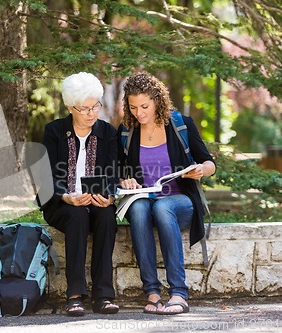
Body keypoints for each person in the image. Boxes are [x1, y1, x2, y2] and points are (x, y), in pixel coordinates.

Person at [117, 72, 216, 315]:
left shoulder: (180, 124)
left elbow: (209, 163)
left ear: (157, 100)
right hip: (144, 200)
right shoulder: (127, 131)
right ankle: (151, 292)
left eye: (144, 106)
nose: (139, 113)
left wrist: (200, 170)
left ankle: (179, 293)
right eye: (133, 107)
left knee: (163, 207)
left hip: (180, 202)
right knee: (139, 208)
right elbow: (118, 169)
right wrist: (125, 180)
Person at [40, 72, 119, 317]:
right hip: (61, 203)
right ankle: (74, 295)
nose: (91, 113)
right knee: (77, 216)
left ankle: (103, 295)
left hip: (97, 201)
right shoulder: (54, 132)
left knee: (106, 217)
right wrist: (66, 196)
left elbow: (115, 172)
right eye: (84, 109)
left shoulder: (107, 132)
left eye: (95, 106)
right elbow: (44, 177)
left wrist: (110, 196)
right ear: (69, 107)